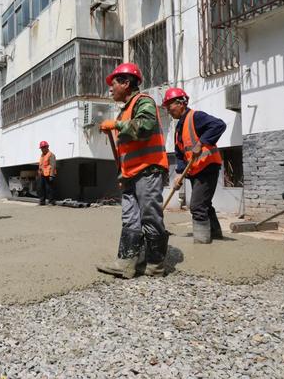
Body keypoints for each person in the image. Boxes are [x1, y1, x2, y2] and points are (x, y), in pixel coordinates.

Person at [97, 62, 170, 278]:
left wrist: (116, 126)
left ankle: (155, 265)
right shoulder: (124, 112)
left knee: (150, 216)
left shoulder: (143, 101)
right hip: (130, 174)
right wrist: (122, 174)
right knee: (130, 218)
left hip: (148, 170)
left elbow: (146, 127)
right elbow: (126, 150)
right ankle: (126, 264)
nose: (110, 89)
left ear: (127, 83)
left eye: (114, 84)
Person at [163, 87, 226, 244]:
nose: (168, 110)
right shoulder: (179, 128)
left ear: (181, 103)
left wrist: (202, 142)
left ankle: (202, 242)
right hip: (194, 170)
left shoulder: (196, 117)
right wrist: (179, 174)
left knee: (197, 206)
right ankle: (215, 234)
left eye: (170, 106)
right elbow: (179, 154)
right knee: (204, 204)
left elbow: (219, 125)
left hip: (207, 166)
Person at [37, 140, 57, 205]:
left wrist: (51, 175)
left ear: (47, 147)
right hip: (42, 174)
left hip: (49, 175)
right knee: (41, 188)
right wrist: (39, 174)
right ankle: (42, 201)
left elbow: (53, 165)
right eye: (41, 148)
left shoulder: (51, 155)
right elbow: (41, 165)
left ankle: (51, 201)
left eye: (44, 147)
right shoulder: (42, 155)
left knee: (49, 189)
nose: (42, 149)